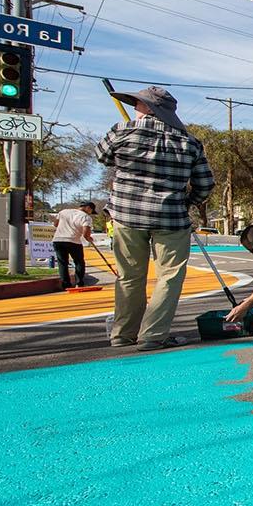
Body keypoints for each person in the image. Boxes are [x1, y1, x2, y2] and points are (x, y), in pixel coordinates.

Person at [97, 86, 214, 351]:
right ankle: (152, 334)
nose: (135, 108)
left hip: (126, 215)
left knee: (129, 276)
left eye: (137, 104)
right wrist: (186, 202)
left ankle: (123, 333)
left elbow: (102, 156)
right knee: (169, 276)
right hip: (170, 217)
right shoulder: (189, 143)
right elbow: (205, 184)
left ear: (149, 108)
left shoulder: (121, 130)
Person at [51, 201, 96, 289]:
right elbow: (85, 234)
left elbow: (55, 224)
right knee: (79, 262)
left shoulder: (63, 212)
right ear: (88, 208)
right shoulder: (86, 217)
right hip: (73, 241)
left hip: (58, 240)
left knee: (62, 263)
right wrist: (89, 239)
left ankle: (65, 284)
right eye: (91, 211)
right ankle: (79, 283)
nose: (91, 213)